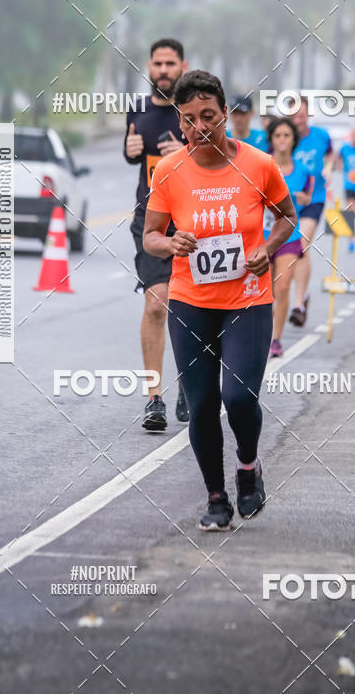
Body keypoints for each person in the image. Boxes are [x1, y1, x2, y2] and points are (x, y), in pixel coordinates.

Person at [143, 70, 296, 531]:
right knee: (203, 403)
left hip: (247, 300)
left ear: (225, 114)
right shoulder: (169, 171)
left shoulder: (258, 164)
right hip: (190, 303)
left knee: (239, 397)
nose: (199, 127)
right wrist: (170, 245)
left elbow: (288, 217)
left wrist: (266, 250)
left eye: (208, 116)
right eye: (188, 119)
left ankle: (248, 467)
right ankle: (216, 497)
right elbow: (151, 235)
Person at [124, 38, 189, 431]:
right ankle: (154, 398)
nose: (163, 70)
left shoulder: (193, 112)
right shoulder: (137, 110)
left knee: (190, 310)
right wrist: (130, 150)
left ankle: (190, 385)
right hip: (149, 221)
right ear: (149, 66)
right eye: (158, 63)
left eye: (170, 63)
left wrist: (182, 151)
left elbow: (216, 157)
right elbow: (133, 153)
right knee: (156, 304)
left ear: (182, 66)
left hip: (193, 223)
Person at [263, 117, 313, 357]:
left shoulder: (303, 172)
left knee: (282, 287)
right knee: (266, 293)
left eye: (287, 135)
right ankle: (260, 334)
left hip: (290, 237)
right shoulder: (263, 167)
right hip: (262, 237)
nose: (282, 140)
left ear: (294, 140)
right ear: (271, 140)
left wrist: (304, 200)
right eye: (278, 135)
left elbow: (309, 199)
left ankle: (275, 339)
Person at [288, 98, 333, 327]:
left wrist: (329, 168)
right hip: (288, 202)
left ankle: (299, 303)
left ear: (308, 115)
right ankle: (296, 295)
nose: (298, 120)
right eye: (294, 116)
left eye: (302, 115)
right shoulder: (285, 138)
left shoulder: (321, 136)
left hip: (314, 199)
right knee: (286, 252)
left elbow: (331, 155)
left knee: (301, 245)